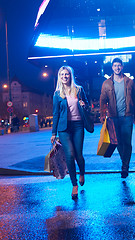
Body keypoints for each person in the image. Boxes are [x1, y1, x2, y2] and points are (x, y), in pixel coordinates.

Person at [51, 65, 89, 200]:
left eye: (66, 74)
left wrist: (84, 105)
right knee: (70, 154)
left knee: (79, 154)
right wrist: (53, 133)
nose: (64, 77)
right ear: (59, 77)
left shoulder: (79, 90)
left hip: (78, 125)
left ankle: (82, 173)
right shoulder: (57, 94)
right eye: (62, 75)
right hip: (63, 128)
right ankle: (74, 185)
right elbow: (55, 114)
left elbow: (87, 105)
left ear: (70, 75)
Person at [100, 58, 135, 178]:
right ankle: (124, 162)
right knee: (117, 142)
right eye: (115, 66)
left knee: (127, 142)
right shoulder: (106, 83)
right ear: (112, 67)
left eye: (119, 65)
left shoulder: (129, 82)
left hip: (127, 116)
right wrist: (102, 115)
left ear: (122, 67)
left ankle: (125, 166)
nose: (117, 68)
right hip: (113, 117)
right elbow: (102, 100)